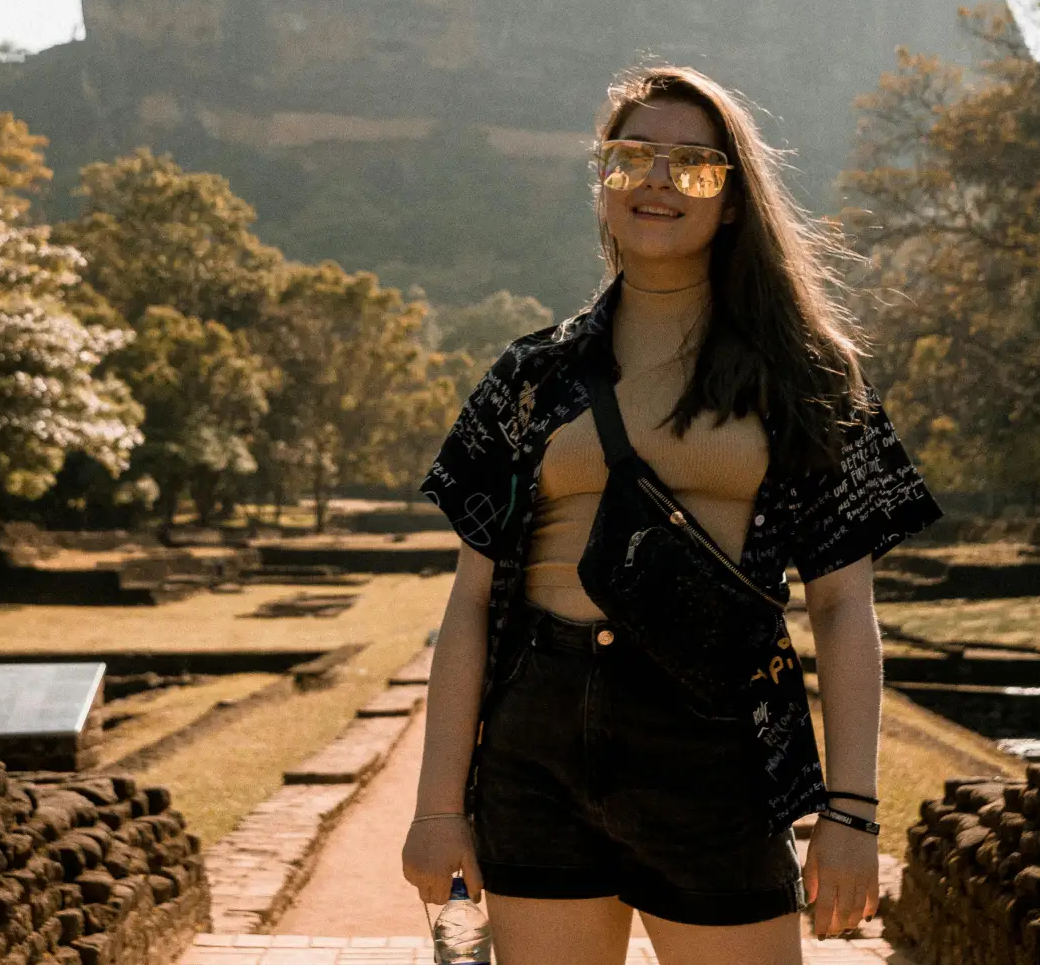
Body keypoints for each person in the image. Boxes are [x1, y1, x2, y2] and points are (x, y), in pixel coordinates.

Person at [402, 65, 940, 965]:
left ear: (733, 201)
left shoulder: (806, 376)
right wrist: (436, 808)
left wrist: (850, 814)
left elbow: (843, 607)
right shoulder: (531, 378)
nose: (657, 180)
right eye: (632, 158)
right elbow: (468, 605)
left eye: (692, 164)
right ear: (604, 181)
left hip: (712, 743)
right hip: (540, 742)